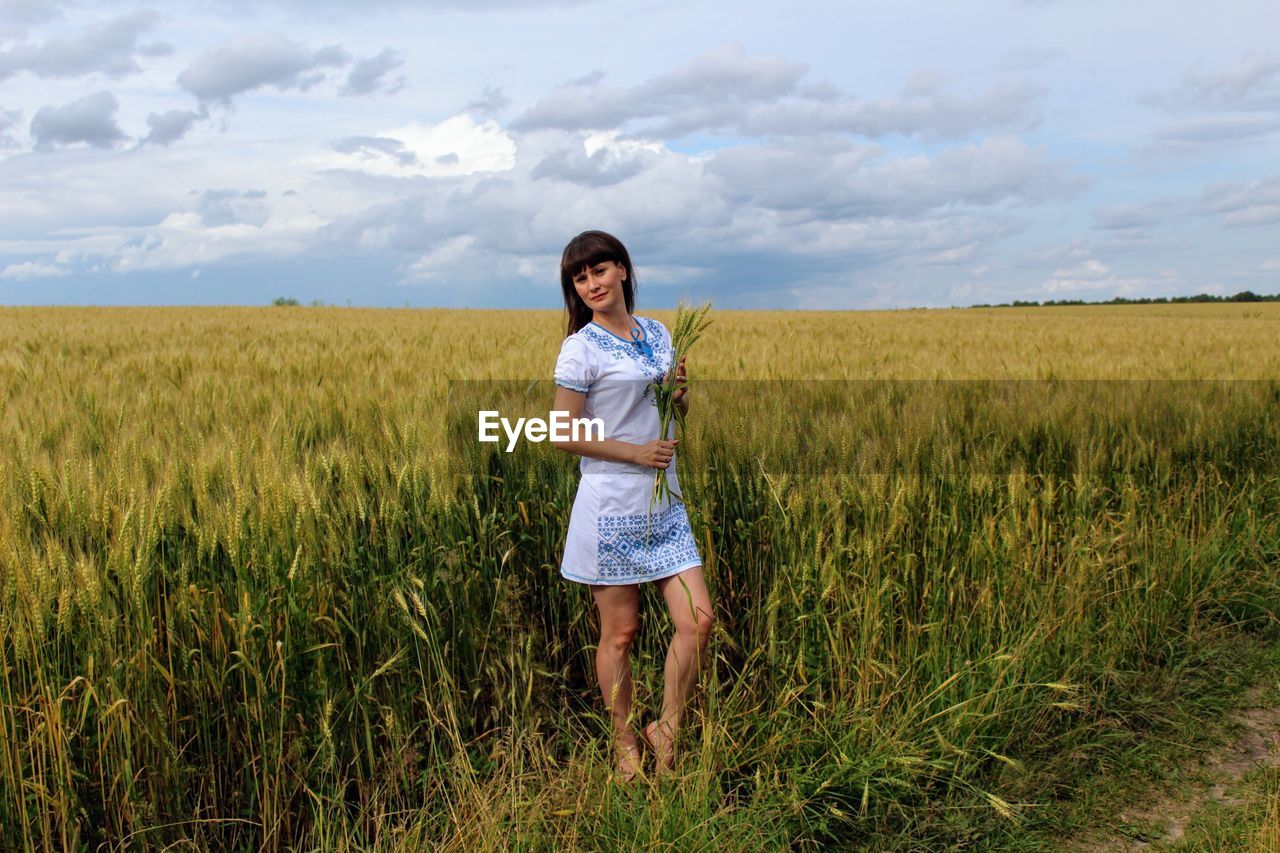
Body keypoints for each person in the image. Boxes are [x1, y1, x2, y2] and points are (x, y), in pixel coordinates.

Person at [549, 230, 715, 782]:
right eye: (580, 277)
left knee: (699, 620)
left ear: (622, 269)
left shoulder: (659, 334)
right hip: (611, 504)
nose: (592, 283)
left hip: (665, 506)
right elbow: (561, 432)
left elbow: (676, 411)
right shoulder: (581, 348)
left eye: (599, 270)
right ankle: (624, 744)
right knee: (620, 634)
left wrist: (680, 393)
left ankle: (665, 727)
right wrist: (637, 452)